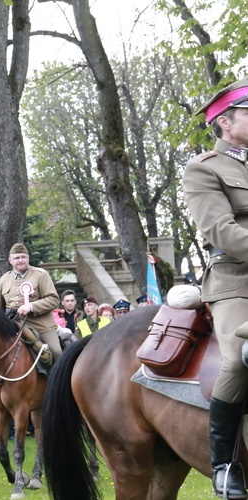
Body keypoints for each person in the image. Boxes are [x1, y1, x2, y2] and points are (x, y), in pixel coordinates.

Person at [183, 77, 248, 498]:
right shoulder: (203, 168)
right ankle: (224, 464)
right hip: (236, 282)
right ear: (225, 122)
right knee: (242, 356)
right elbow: (221, 231)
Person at [0, 243, 62, 362]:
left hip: (40, 324)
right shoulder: (4, 279)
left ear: (28, 258)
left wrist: (31, 306)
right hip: (13, 323)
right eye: (17, 258)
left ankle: (59, 380)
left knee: (56, 351)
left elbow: (54, 300)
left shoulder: (40, 275)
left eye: (23, 257)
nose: (20, 260)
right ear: (10, 260)